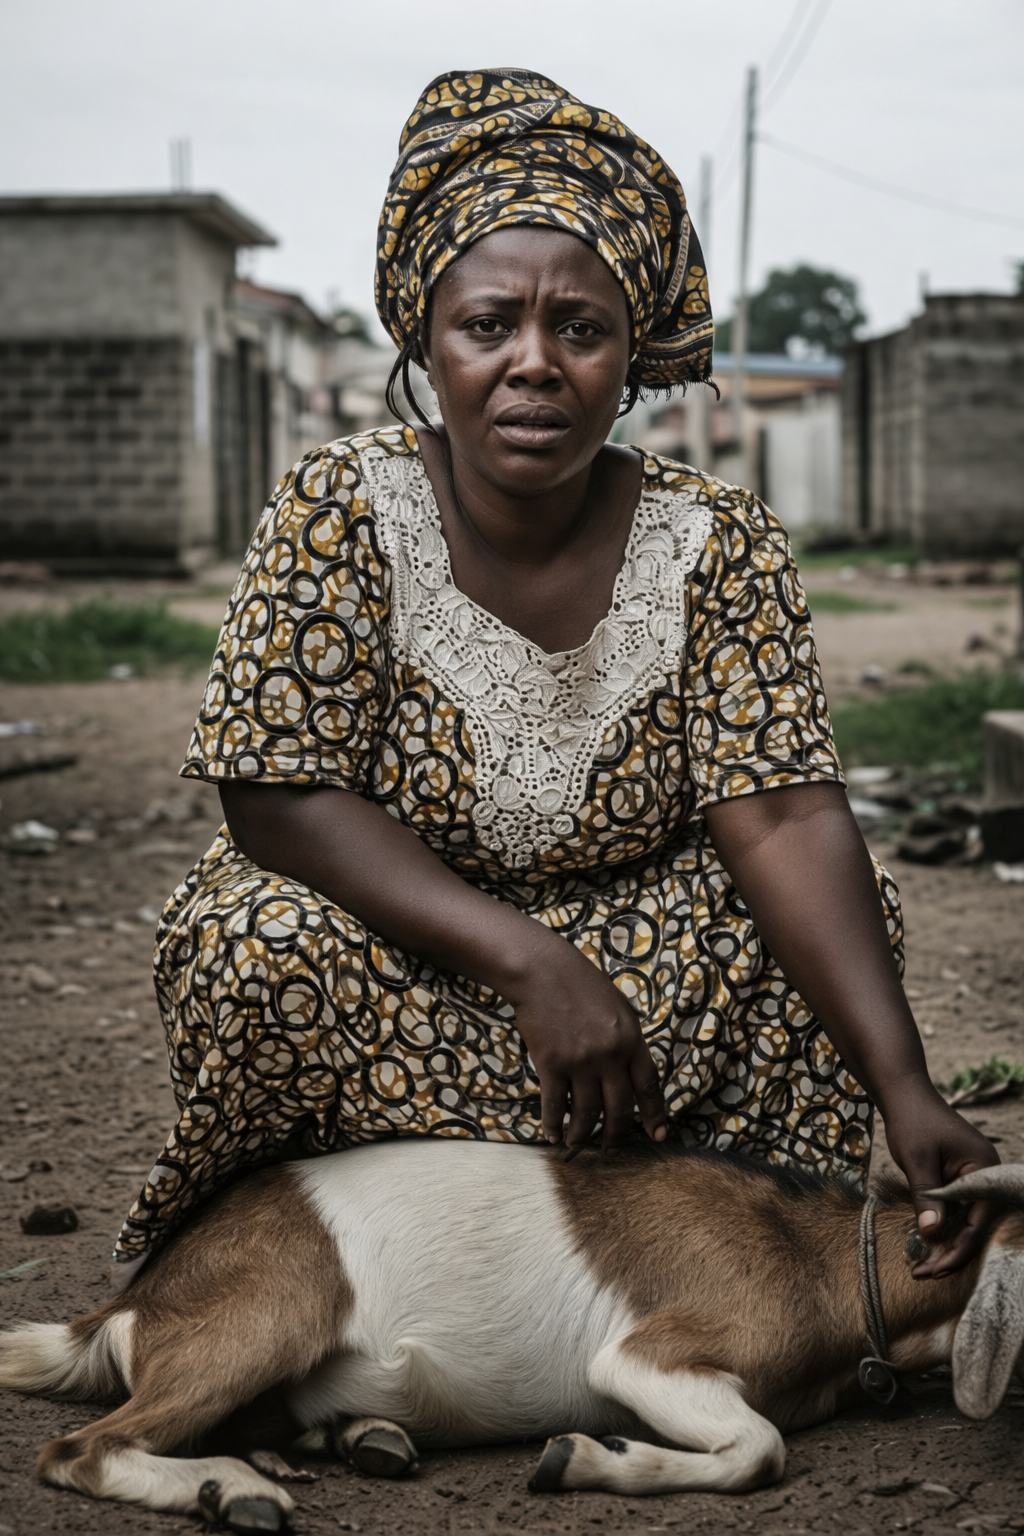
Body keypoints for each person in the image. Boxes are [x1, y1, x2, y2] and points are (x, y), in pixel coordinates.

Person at [114, 67, 995, 1282]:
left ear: (629, 356)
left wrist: (910, 1091)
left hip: (645, 963)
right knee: (254, 946)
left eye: (579, 329)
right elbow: (275, 795)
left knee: (828, 936)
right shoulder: (339, 506)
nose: (534, 363)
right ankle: (345, 1262)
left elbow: (782, 813)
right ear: (426, 337)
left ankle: (665, 1266)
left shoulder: (717, 540)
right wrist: (532, 963)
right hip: (406, 949)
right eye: (488, 326)